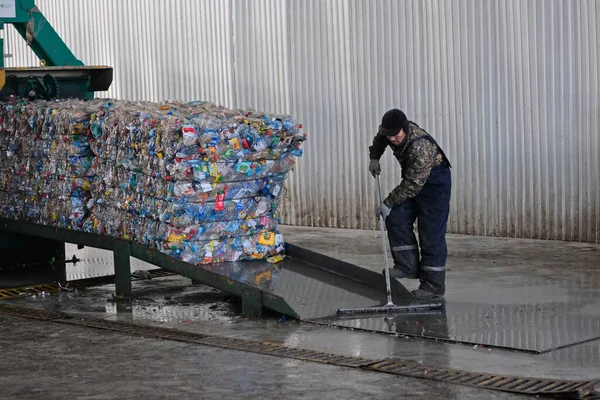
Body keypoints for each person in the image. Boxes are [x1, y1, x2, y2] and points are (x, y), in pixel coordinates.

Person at [368, 109, 452, 300]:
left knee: (431, 234)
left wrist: (388, 202)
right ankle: (407, 265)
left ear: (404, 129)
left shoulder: (421, 147)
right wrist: (374, 157)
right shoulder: (390, 133)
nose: (392, 139)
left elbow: (412, 185)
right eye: (389, 135)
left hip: (435, 185)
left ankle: (433, 286)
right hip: (413, 180)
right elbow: (381, 140)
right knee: (396, 216)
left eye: (395, 135)